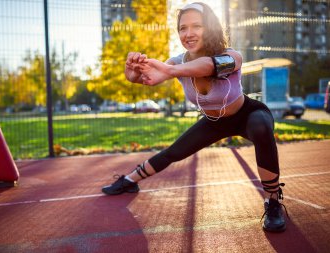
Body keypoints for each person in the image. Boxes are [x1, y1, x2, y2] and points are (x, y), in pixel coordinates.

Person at [102, 2, 287, 232]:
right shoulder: (177, 62)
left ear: (210, 28)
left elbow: (209, 66)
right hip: (213, 122)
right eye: (182, 28)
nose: (188, 33)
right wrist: (133, 75)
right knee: (174, 152)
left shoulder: (231, 56)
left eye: (196, 26)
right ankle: (128, 181)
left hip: (247, 114)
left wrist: (170, 70)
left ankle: (273, 202)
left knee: (260, 127)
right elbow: (151, 77)